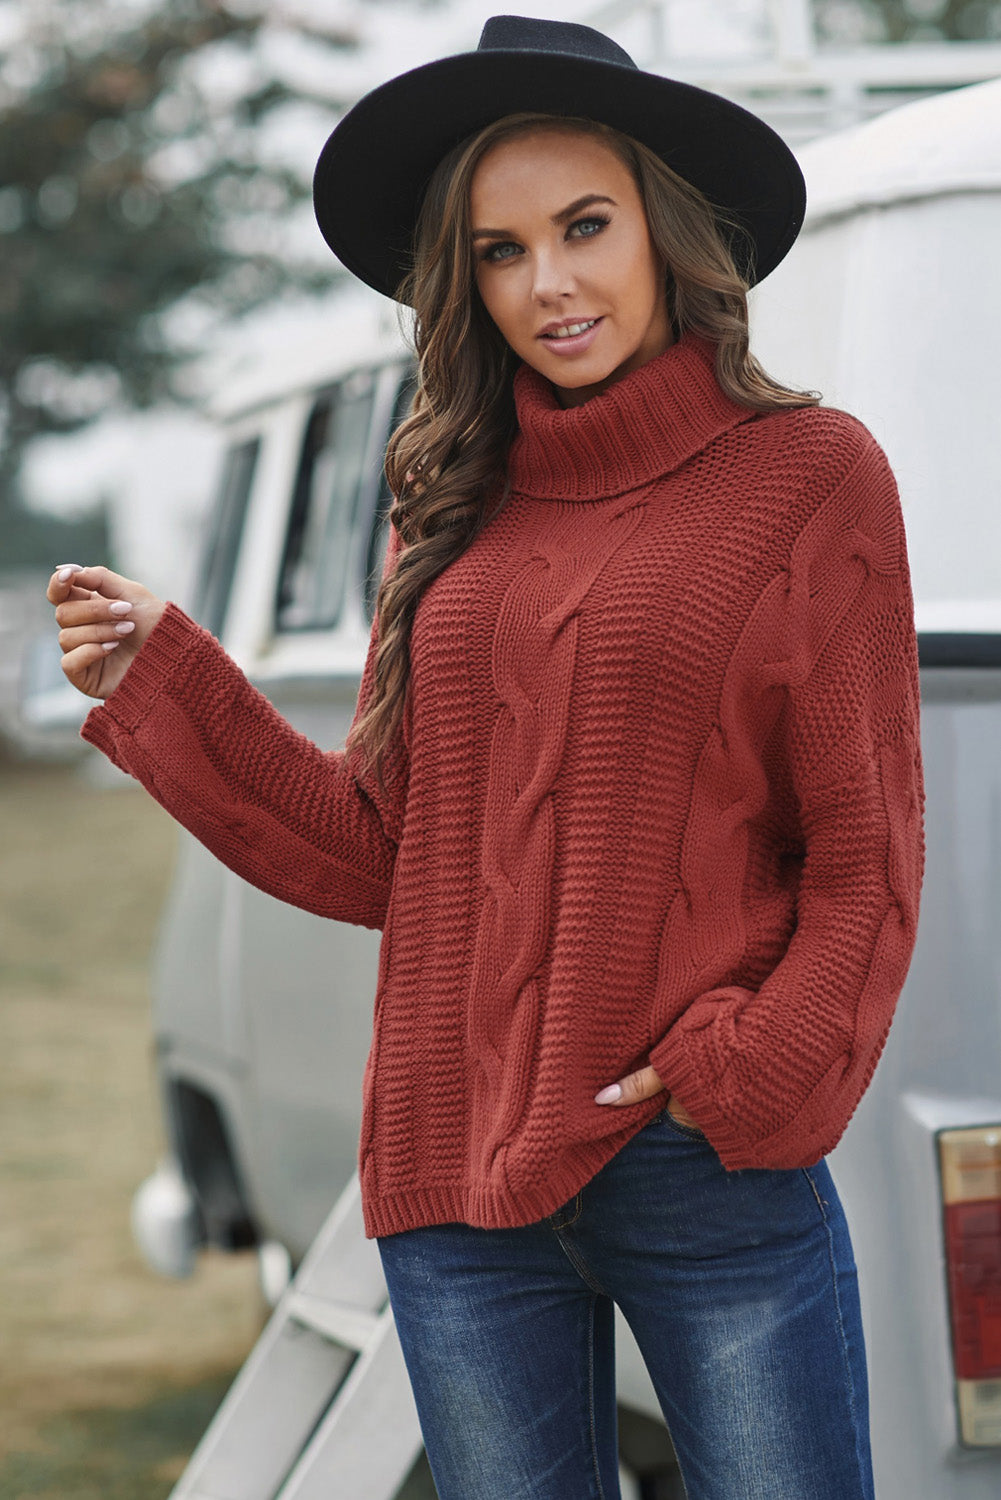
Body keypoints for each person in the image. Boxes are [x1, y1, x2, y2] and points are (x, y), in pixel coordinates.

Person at [47, 16, 925, 1500]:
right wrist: (170, 680)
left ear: (664, 228)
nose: (548, 285)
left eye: (584, 227)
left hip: (695, 1166)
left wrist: (751, 1068)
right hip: (449, 1167)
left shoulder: (806, 477)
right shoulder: (449, 503)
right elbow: (381, 852)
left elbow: (867, 857)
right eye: (499, 252)